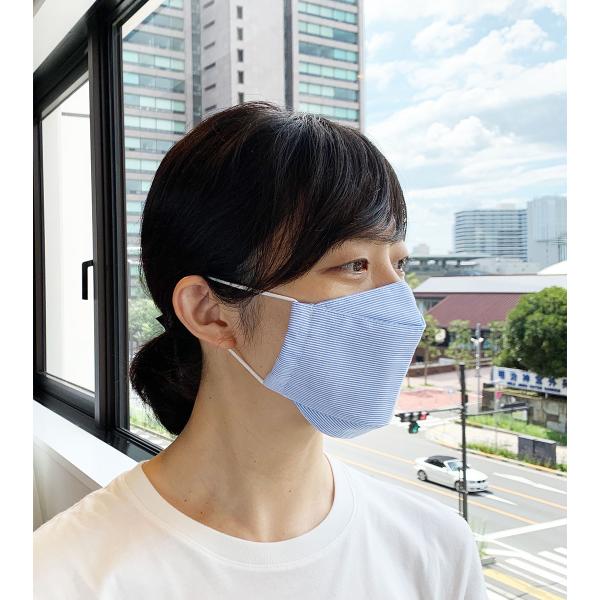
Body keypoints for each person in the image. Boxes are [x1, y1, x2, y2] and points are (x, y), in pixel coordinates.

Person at [34, 101, 488, 599]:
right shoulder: (59, 577)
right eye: (353, 265)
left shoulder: (437, 549)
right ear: (209, 311)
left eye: (399, 264)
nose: (400, 307)